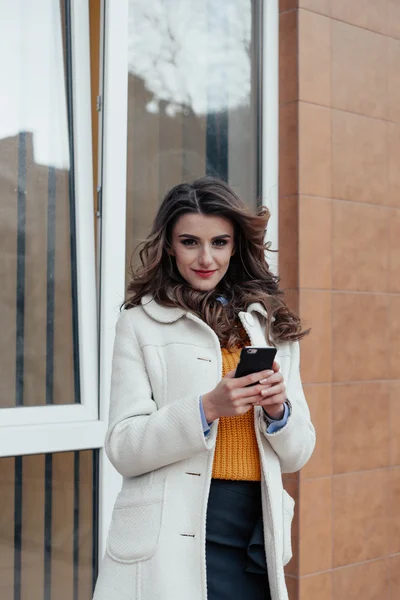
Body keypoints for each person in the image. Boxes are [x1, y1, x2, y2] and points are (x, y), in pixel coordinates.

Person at [93, 176, 315, 600]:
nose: (206, 258)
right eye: (190, 241)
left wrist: (277, 412)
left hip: (255, 531)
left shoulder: (267, 323)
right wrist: (207, 407)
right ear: (170, 245)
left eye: (220, 242)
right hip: (176, 527)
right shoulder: (139, 324)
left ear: (236, 246)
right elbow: (123, 447)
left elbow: (298, 454)